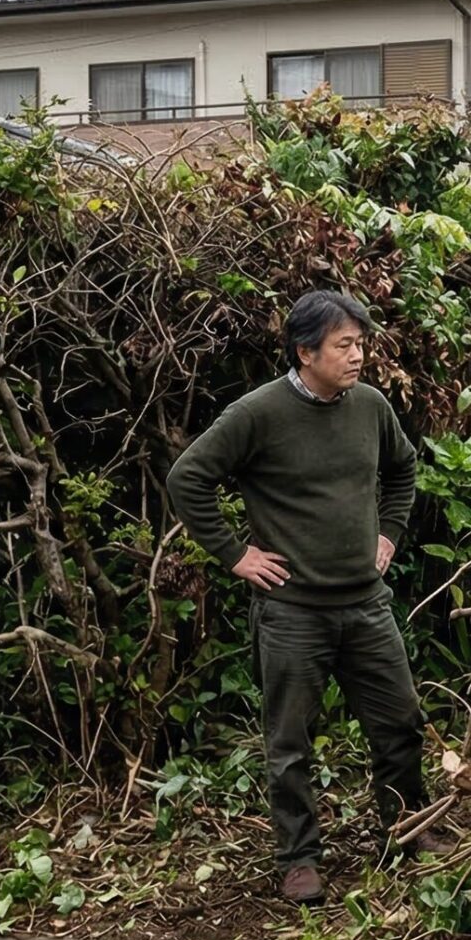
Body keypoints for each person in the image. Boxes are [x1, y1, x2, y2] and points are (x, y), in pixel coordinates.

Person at [167, 290, 451, 906]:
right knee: (290, 740)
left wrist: (389, 534)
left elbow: (402, 470)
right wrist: (236, 555)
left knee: (400, 722)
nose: (358, 356)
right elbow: (187, 478)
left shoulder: (370, 407)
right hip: (292, 609)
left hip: (365, 602)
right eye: (344, 345)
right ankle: (298, 860)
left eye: (360, 344)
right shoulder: (258, 413)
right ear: (305, 352)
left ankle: (404, 830)